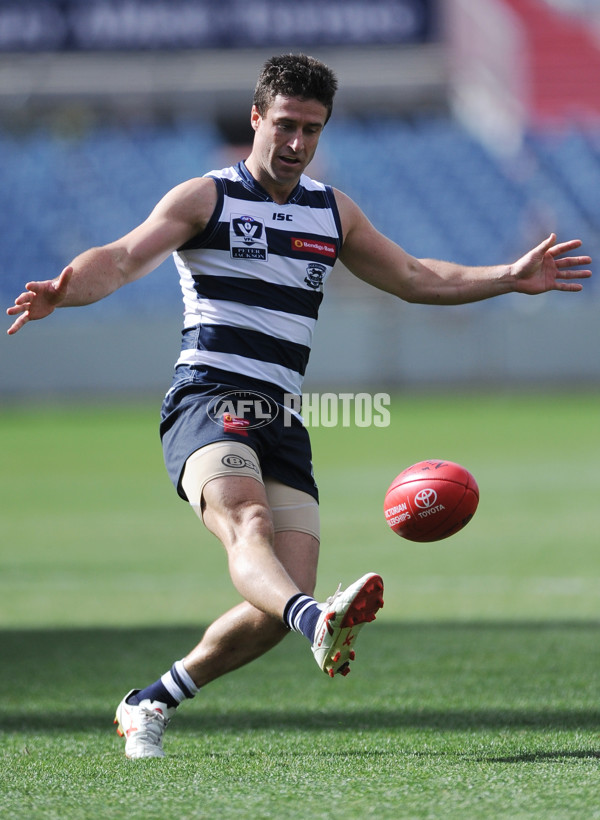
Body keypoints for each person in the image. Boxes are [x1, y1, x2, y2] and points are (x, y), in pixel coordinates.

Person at [6, 54, 591, 760]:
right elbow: (126, 256)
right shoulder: (207, 198)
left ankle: (151, 699)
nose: (296, 143)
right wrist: (64, 291)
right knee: (249, 524)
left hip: (281, 416)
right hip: (208, 396)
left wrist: (507, 276)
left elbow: (410, 275)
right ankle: (318, 621)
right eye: (285, 125)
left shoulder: (331, 210)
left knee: (273, 606)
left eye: (311, 130)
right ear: (257, 118)